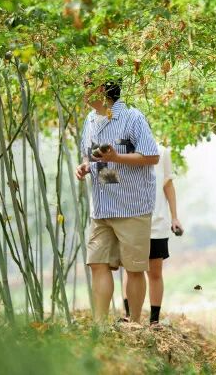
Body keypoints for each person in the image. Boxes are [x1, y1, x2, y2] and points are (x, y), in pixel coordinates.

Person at [76, 76, 160, 324]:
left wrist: (117, 158)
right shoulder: (90, 120)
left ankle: (134, 323)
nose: (83, 90)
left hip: (131, 205)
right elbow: (89, 157)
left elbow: (151, 156)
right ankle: (100, 325)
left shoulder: (132, 117)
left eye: (87, 85)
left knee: (133, 268)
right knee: (97, 263)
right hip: (102, 206)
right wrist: (84, 167)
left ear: (101, 88)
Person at [121, 144, 184, 325]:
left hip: (156, 221)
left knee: (155, 272)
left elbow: (168, 184)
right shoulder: (121, 150)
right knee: (131, 270)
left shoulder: (161, 151)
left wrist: (174, 217)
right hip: (130, 221)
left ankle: (154, 321)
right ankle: (129, 316)